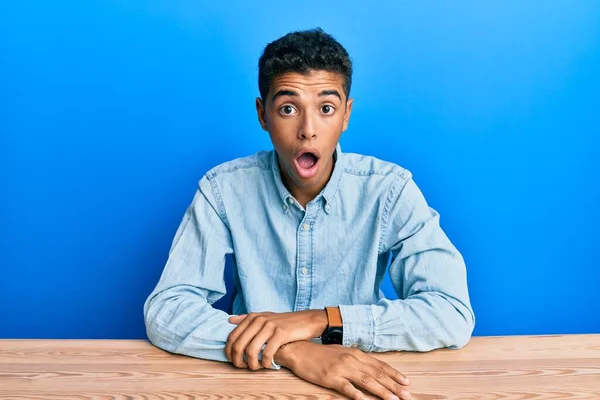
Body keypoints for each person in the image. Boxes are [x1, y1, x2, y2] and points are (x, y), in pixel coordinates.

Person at [144, 28, 475, 400]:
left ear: (346, 115)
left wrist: (323, 320)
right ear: (263, 115)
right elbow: (167, 310)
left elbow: (450, 312)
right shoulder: (224, 189)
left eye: (326, 108)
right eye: (288, 108)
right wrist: (292, 350)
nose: (307, 130)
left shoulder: (389, 190)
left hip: (358, 384)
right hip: (251, 386)